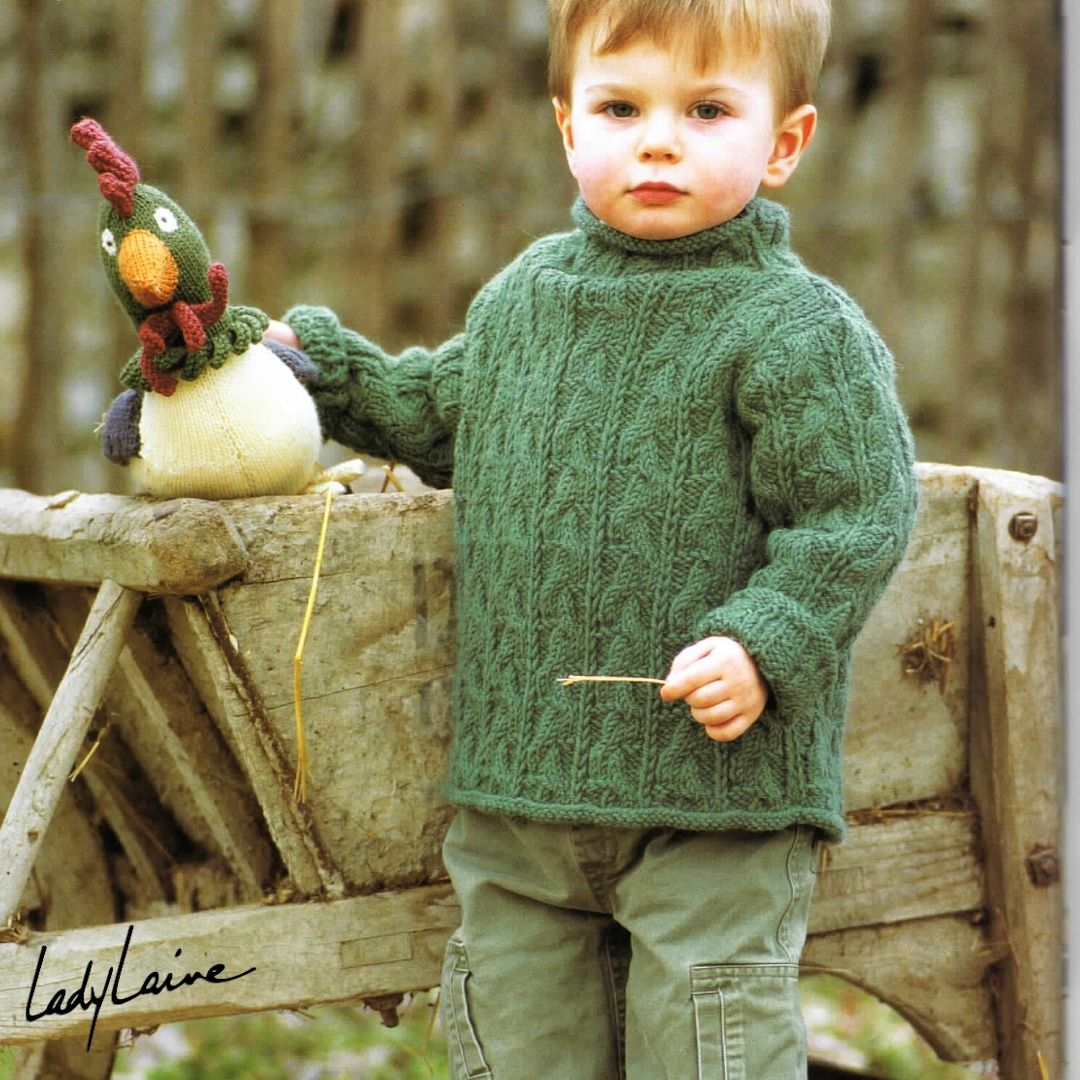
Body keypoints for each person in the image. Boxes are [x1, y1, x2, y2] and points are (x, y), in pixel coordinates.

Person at [267, 0, 918, 1074]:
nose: (658, 140)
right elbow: (439, 415)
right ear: (569, 125)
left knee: (708, 1042)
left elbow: (855, 511)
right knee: (520, 1042)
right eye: (621, 107)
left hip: (714, 807)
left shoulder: (793, 327)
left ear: (786, 142)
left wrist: (763, 642)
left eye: (707, 110)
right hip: (518, 803)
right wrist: (323, 373)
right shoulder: (528, 301)